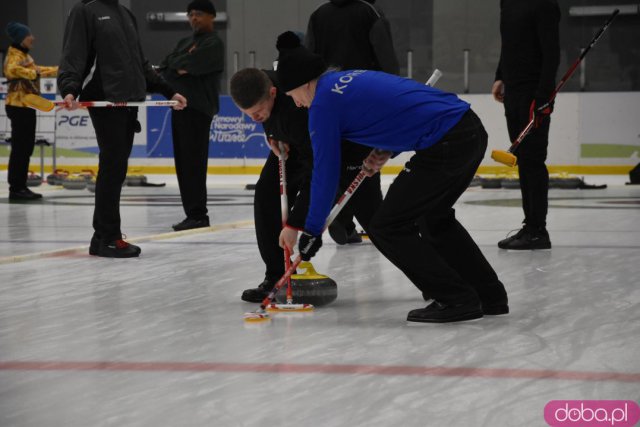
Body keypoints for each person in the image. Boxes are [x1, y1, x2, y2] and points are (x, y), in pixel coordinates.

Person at [275, 31, 508, 323]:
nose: (297, 104)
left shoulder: (322, 104)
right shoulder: (348, 79)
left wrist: (311, 229)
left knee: (387, 226)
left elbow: (325, 171)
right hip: (468, 129)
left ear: (304, 83)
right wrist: (388, 149)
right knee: (434, 219)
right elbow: (401, 107)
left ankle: (456, 298)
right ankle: (490, 296)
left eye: (293, 96)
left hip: (447, 142)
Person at [58, 0, 187, 258]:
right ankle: (108, 236)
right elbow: (74, 54)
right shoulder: (85, 10)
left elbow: (139, 61)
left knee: (116, 168)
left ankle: (102, 237)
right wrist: (70, 88)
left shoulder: (124, 13)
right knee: (113, 165)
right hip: (105, 98)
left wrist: (168, 90)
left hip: (128, 100)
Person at [305, 0, 399, 245]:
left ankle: (343, 220)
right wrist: (392, 92)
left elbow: (310, 55)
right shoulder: (369, 11)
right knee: (364, 162)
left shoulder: (318, 14)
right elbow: (386, 57)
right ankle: (371, 220)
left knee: (336, 159)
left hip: (327, 97)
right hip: (363, 97)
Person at [229, 68, 314, 302]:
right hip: (290, 142)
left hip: (321, 145)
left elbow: (317, 171)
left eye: (257, 113)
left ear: (274, 93)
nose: (253, 118)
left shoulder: (296, 108)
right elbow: (267, 114)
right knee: (266, 192)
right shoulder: (261, 84)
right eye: (248, 114)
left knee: (373, 217)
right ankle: (277, 275)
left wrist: (295, 224)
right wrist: (272, 135)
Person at [491, 0, 560, 250]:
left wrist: (543, 97)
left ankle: (537, 230)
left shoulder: (544, 4)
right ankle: (529, 226)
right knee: (522, 158)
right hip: (513, 91)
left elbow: (551, 52)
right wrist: (500, 75)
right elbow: (508, 44)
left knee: (533, 159)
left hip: (534, 92)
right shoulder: (507, 4)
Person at [159, 0, 224, 232]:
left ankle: (198, 214)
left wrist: (179, 66)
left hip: (198, 110)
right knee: (184, 164)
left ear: (211, 17)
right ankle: (192, 213)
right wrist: (179, 67)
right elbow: (168, 67)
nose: (193, 18)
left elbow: (193, 65)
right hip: (180, 108)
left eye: (198, 14)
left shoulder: (214, 44)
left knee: (194, 163)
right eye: (190, 15)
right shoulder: (185, 42)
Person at [3, 22, 58, 201]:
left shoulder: (24, 55)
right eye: (29, 36)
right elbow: (10, 70)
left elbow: (36, 70)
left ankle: (20, 186)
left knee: (25, 148)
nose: (32, 38)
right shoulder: (14, 54)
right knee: (21, 148)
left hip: (25, 105)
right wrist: (31, 74)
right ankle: (17, 188)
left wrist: (58, 70)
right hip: (19, 106)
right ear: (21, 39)